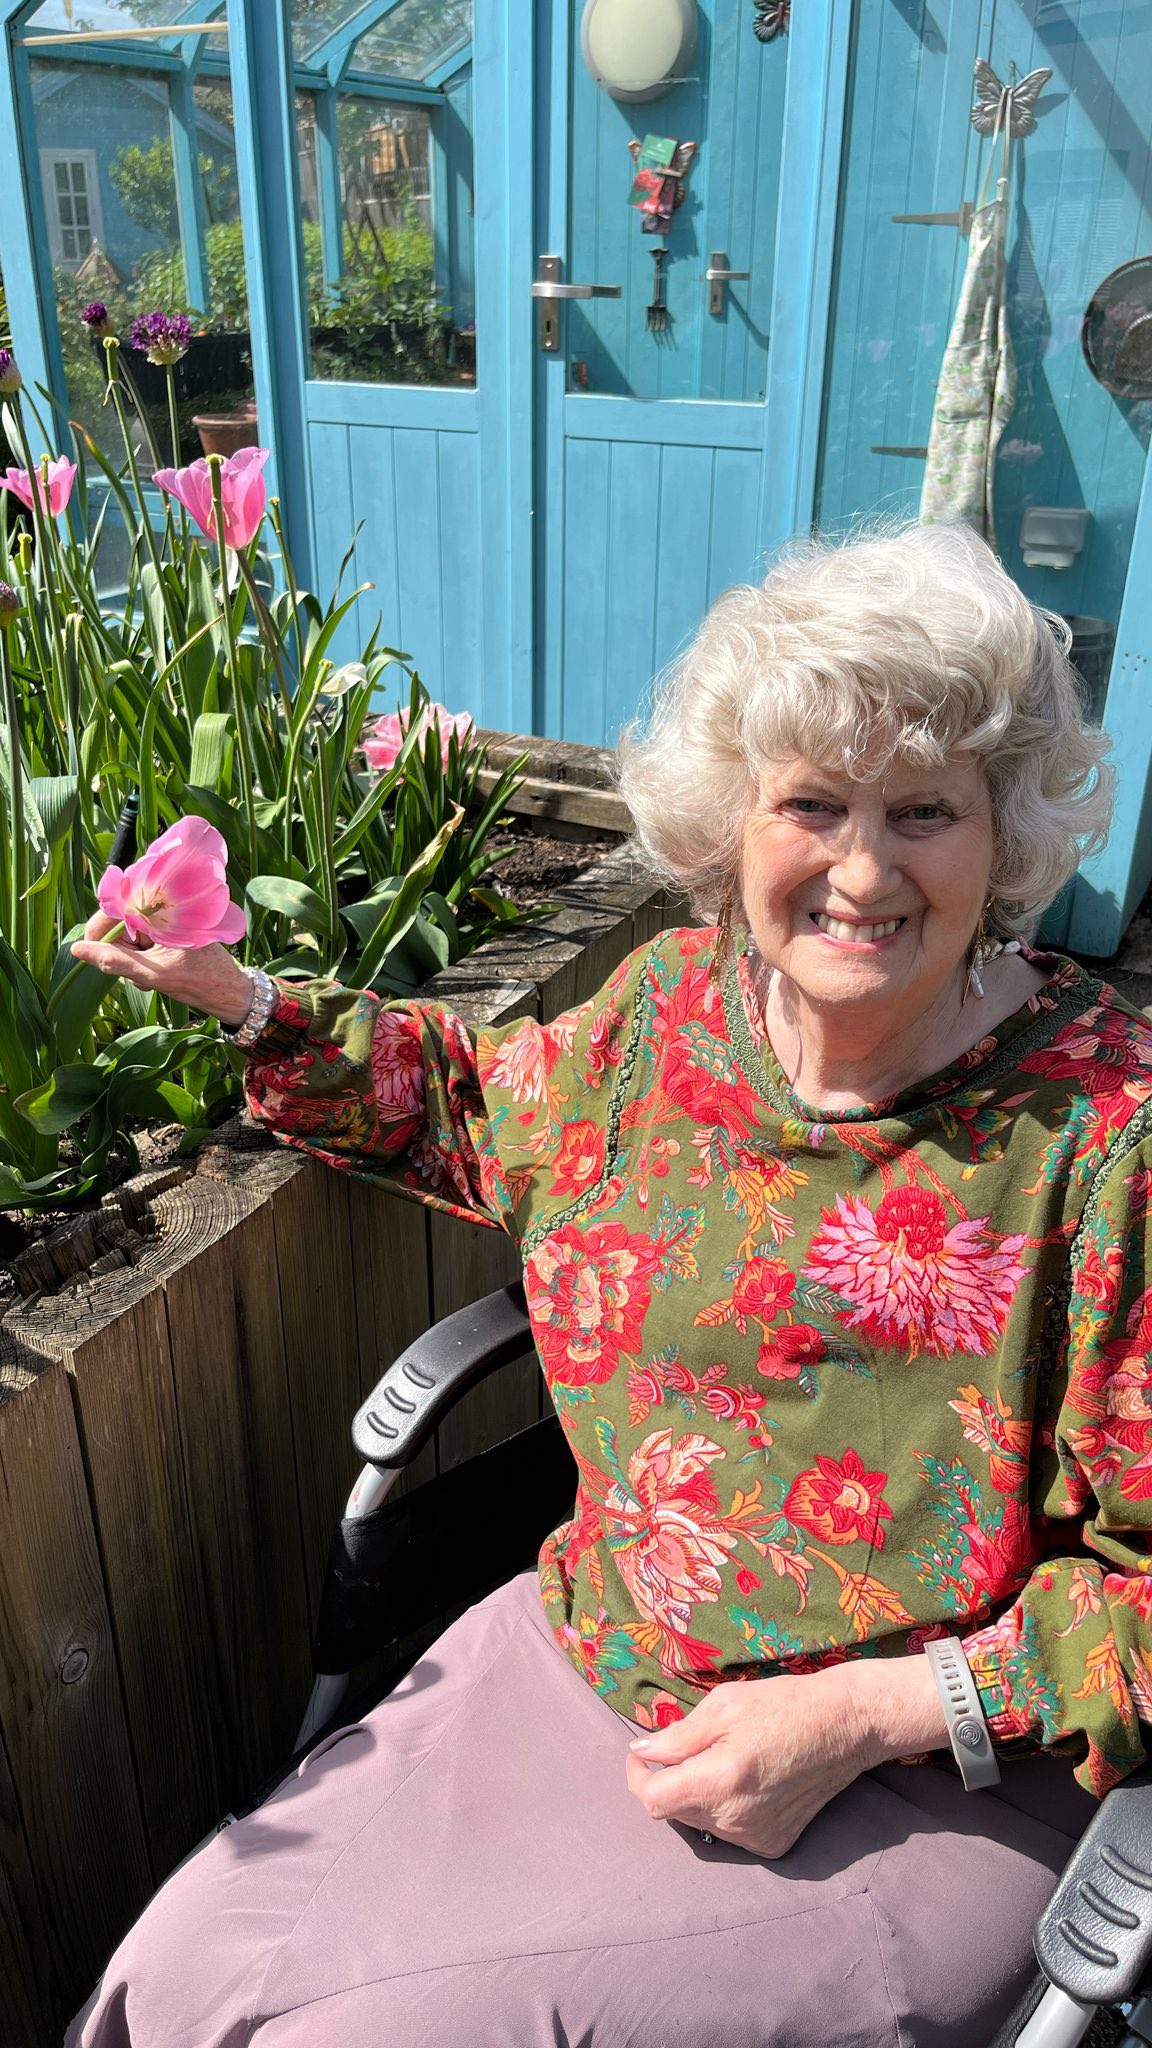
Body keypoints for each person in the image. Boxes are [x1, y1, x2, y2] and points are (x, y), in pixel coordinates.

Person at [67, 522, 1148, 2048]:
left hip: (926, 1774)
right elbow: (469, 1111)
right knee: (172, 1975)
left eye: (924, 812)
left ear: (1007, 836)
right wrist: (240, 996)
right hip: (599, 1647)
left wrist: (875, 1713)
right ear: (737, 818)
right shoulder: (673, 1018)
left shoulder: (1107, 1143)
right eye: (811, 803)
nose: (858, 869)